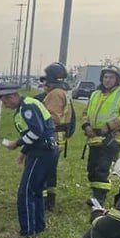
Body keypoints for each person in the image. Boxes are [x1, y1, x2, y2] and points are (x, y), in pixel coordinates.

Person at [0, 84, 58, 237]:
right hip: (44, 150)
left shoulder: (27, 107)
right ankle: (38, 227)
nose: (6, 106)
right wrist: (24, 152)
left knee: (25, 192)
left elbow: (37, 131)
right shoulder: (28, 104)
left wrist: (16, 143)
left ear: (12, 97)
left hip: (41, 153)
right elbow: (36, 133)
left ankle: (27, 233)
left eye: (5, 102)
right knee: (36, 191)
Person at [81, 65, 120, 206]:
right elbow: (85, 113)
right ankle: (95, 196)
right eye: (105, 77)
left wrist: (109, 126)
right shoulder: (95, 94)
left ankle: (99, 199)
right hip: (94, 138)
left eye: (111, 77)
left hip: (111, 138)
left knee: (102, 169)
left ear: (117, 79)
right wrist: (86, 126)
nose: (107, 80)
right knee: (92, 169)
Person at [41, 61, 74, 210]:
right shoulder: (62, 92)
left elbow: (52, 118)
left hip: (51, 136)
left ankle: (43, 201)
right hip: (58, 136)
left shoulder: (55, 94)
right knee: (50, 170)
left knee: (43, 170)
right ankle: (50, 201)